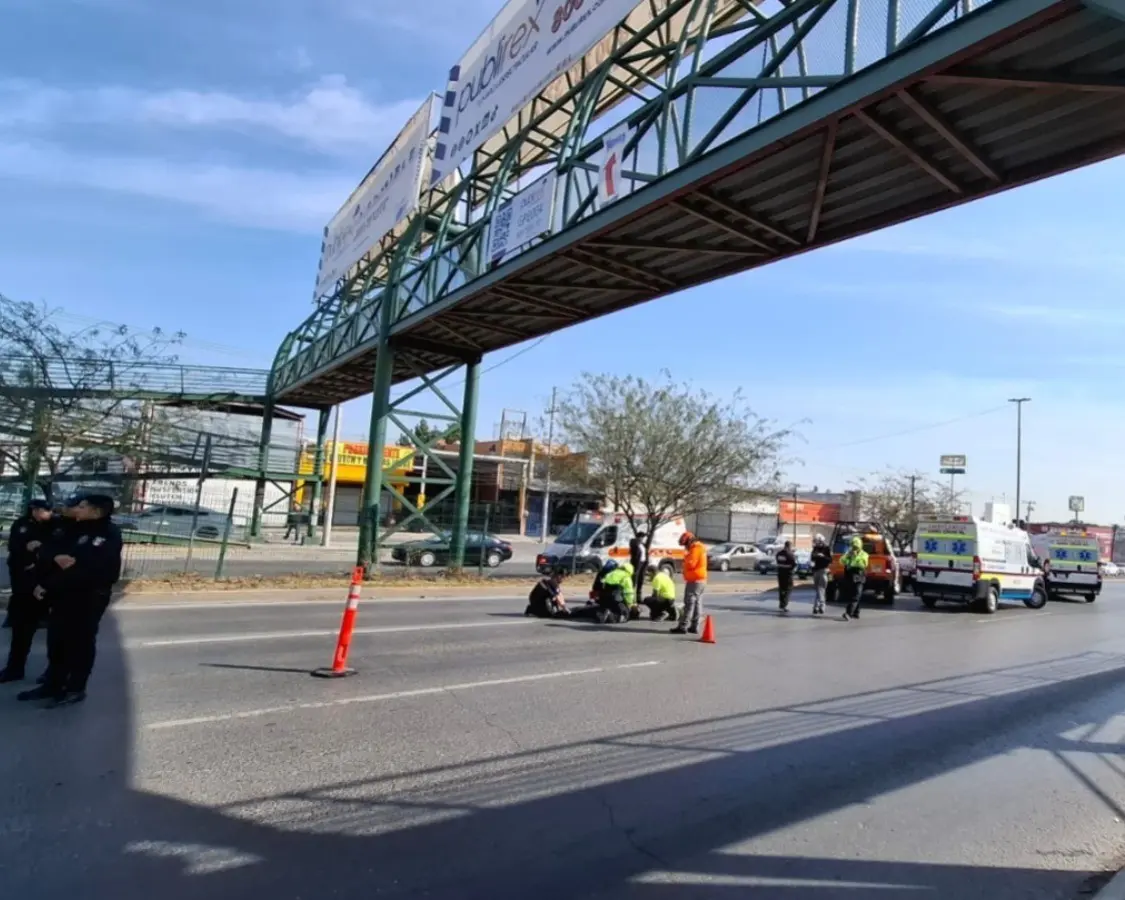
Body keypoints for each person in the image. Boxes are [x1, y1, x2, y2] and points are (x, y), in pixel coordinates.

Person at [18, 494, 123, 706]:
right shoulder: (74, 527)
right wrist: (52, 568)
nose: (77, 509)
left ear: (96, 510)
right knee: (56, 640)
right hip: (63, 593)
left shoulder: (108, 534)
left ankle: (75, 688)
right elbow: (51, 550)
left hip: (89, 596)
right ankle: (53, 684)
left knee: (80, 642)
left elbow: (93, 568)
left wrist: (68, 567)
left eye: (82, 506)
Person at [0, 500, 55, 682]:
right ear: (35, 511)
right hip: (24, 581)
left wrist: (40, 549)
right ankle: (14, 668)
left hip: (45, 584)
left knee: (56, 635)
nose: (49, 513)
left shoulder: (54, 525)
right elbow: (16, 547)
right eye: (45, 510)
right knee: (21, 629)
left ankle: (54, 674)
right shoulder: (22, 525)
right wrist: (27, 550)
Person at [671, 532, 706, 635]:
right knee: (697, 604)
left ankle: (683, 626)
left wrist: (685, 559)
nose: (685, 547)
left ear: (690, 541)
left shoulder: (695, 549)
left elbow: (691, 563)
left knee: (689, 604)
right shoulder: (700, 547)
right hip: (700, 580)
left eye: (685, 544)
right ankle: (694, 626)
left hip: (694, 580)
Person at [840, 535, 869, 622]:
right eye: (853, 547)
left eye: (856, 547)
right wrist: (848, 556)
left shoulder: (864, 554)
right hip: (850, 577)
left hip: (859, 577)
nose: (854, 549)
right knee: (854, 595)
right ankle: (856, 613)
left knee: (856, 596)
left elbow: (862, 564)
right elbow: (841, 561)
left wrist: (852, 560)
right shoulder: (849, 553)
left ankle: (848, 613)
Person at [809, 533, 832, 616]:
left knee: (821, 589)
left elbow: (830, 560)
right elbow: (812, 557)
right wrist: (815, 556)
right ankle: (817, 606)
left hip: (823, 570)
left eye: (816, 541)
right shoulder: (815, 548)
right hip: (816, 571)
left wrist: (822, 556)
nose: (815, 543)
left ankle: (820, 606)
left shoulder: (826, 549)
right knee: (818, 590)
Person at [775, 540, 797, 614]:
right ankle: (784, 604)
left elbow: (778, 562)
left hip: (780, 574)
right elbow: (794, 564)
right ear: (789, 546)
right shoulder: (790, 554)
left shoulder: (779, 554)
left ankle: (781, 604)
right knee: (789, 589)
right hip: (788, 575)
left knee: (781, 589)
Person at [628, 532, 647, 600]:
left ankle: (639, 597)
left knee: (640, 579)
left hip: (643, 563)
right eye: (642, 537)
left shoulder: (642, 545)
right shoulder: (634, 543)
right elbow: (634, 553)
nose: (643, 539)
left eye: (643, 537)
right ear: (638, 537)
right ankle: (631, 597)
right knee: (634, 580)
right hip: (636, 564)